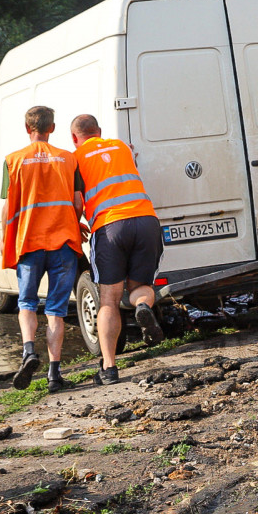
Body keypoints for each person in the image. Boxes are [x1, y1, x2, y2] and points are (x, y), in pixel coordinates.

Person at [70, 114, 164, 385]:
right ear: (99, 131)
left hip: (110, 227)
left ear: (74, 138)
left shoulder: (75, 158)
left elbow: (77, 202)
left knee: (109, 300)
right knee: (140, 287)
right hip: (146, 220)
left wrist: (76, 224)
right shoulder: (122, 146)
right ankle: (143, 306)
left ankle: (109, 368)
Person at [2, 105, 82, 392]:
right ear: (53, 128)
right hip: (63, 243)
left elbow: (7, 207)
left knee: (26, 303)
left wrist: (5, 237)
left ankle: (28, 352)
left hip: (29, 242)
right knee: (56, 310)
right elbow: (77, 203)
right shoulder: (68, 158)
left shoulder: (13, 160)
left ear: (27, 128)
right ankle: (54, 375)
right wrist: (74, 223)